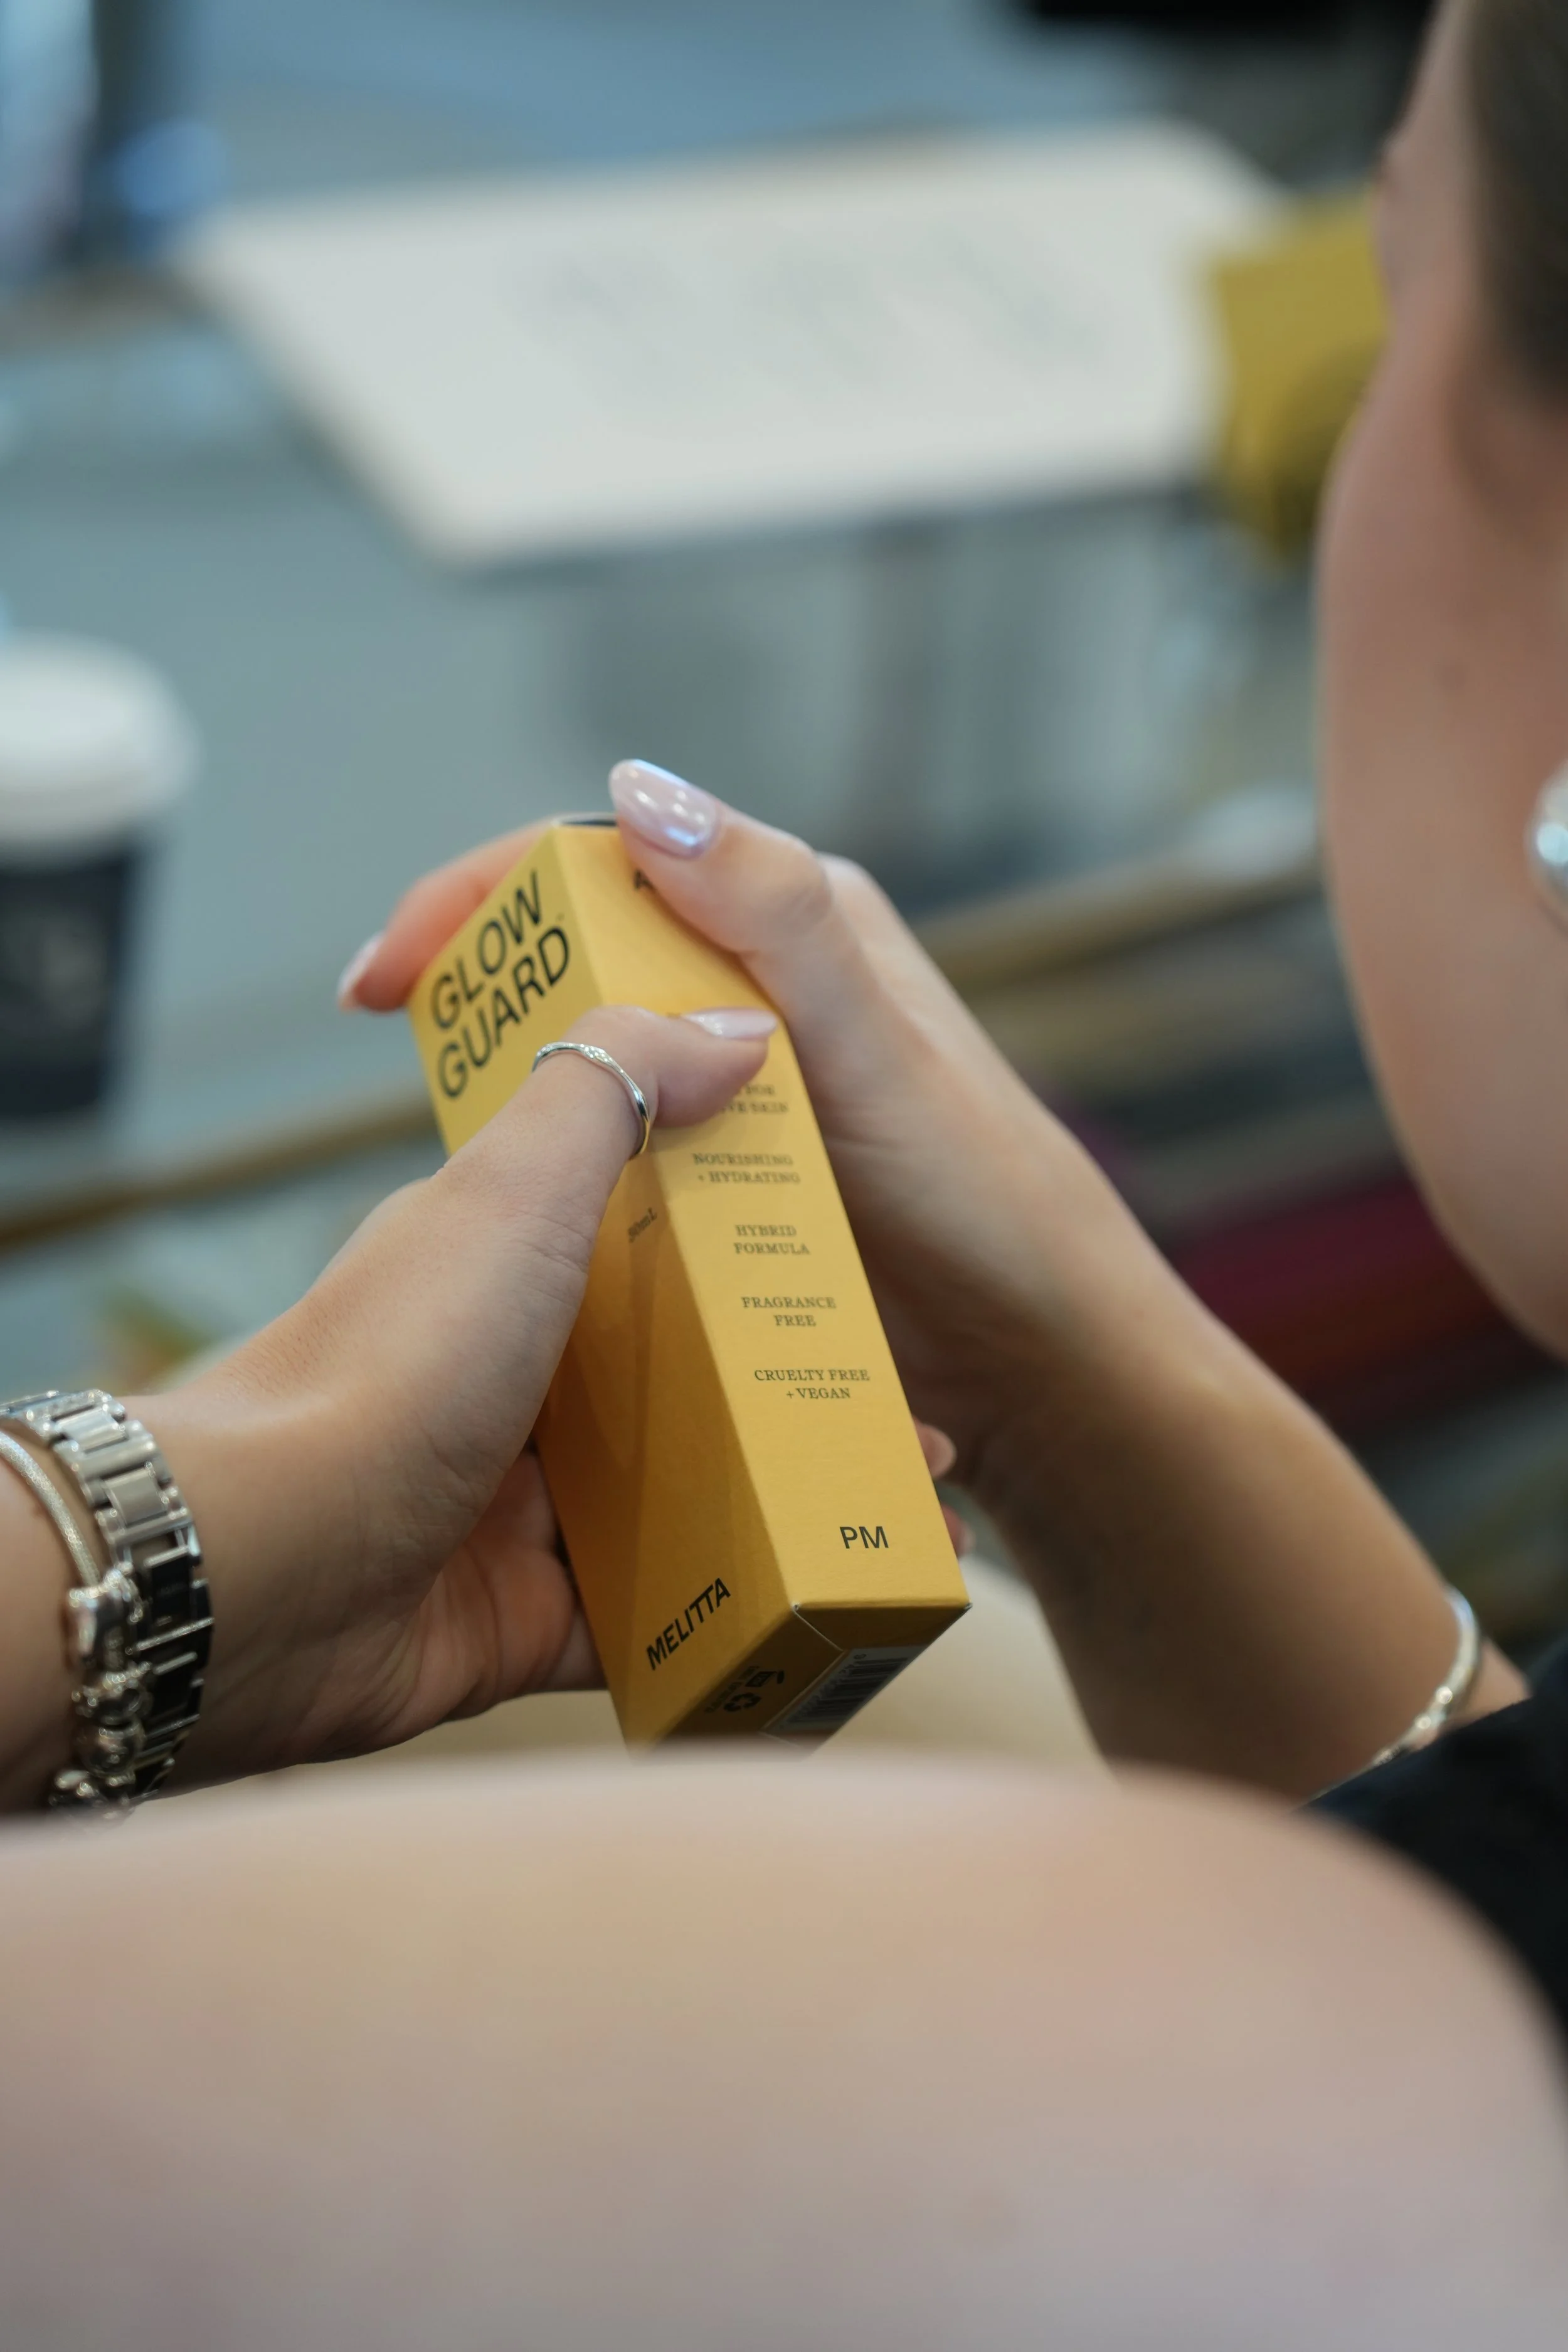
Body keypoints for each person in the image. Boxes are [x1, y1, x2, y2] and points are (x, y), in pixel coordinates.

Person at [3, 0, 1568, 2342]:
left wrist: (97, 1544)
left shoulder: (1166, 2126)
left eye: (1392, 258)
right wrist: (1069, 1361)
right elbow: (1482, 1862)